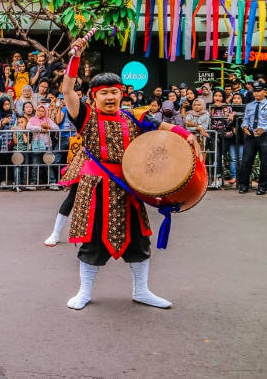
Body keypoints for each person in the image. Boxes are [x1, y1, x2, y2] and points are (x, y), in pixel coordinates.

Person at [58, 36, 202, 310]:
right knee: (92, 242)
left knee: (139, 240)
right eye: (103, 92)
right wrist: (75, 57)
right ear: (94, 96)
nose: (110, 96)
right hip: (97, 188)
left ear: (122, 93)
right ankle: (84, 292)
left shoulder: (132, 117)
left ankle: (142, 290)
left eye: (114, 91)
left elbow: (160, 126)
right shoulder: (86, 116)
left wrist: (186, 134)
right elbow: (67, 92)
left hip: (128, 187)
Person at [238, 81, 267, 195]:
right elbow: (245, 119)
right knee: (246, 161)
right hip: (250, 136)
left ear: (265, 92)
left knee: (264, 163)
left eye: (259, 91)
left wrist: (264, 129)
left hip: (264, 136)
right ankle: (244, 185)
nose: (256, 93)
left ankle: (262, 187)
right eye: (254, 91)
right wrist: (244, 126)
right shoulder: (250, 105)